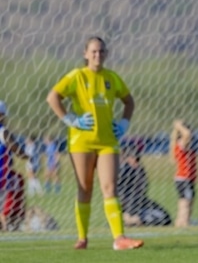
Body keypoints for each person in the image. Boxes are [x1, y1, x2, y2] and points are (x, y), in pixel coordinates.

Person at [46, 36, 144, 250]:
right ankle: (82, 238)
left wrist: (125, 122)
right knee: (85, 188)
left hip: (108, 141)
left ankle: (119, 238)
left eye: (101, 51)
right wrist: (71, 119)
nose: (97, 55)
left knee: (110, 187)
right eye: (93, 51)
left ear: (106, 54)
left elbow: (129, 101)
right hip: (81, 142)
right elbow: (53, 97)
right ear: (85, 54)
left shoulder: (112, 78)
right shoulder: (76, 76)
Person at [118, 144, 171, 227]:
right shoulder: (124, 169)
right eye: (133, 158)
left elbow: (142, 189)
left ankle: (131, 220)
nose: (135, 161)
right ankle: (128, 219)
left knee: (165, 218)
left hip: (140, 201)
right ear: (126, 158)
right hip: (130, 203)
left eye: (137, 159)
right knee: (163, 218)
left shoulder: (138, 169)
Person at [0, 100, 28, 231]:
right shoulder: (3, 132)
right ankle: (7, 226)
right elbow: (16, 149)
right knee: (3, 207)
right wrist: (26, 156)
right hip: (2, 177)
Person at [170, 119, 197, 227]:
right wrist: (178, 126)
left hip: (185, 178)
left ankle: (181, 221)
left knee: (184, 200)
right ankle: (184, 221)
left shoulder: (181, 144)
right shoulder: (182, 143)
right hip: (184, 178)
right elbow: (187, 134)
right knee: (187, 200)